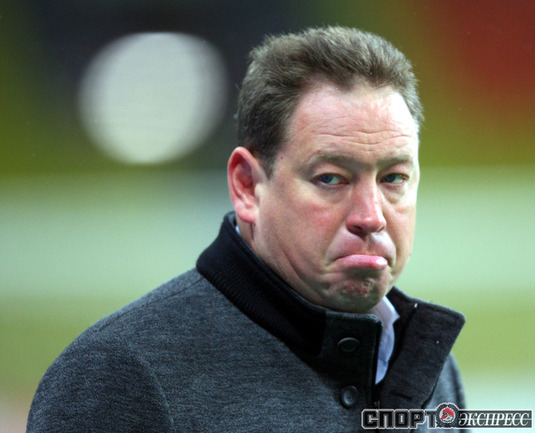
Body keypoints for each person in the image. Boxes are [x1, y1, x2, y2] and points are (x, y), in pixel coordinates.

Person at [27, 26, 466, 432]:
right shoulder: (119, 377)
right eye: (331, 178)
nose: (371, 216)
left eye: (393, 178)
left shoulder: (425, 363)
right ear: (247, 186)